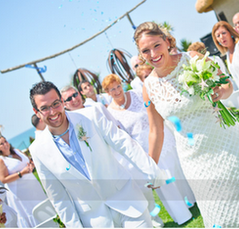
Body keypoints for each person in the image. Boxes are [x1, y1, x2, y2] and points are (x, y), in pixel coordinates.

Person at [135, 22, 239, 228]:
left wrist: (221, 93)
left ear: (167, 41)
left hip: (227, 143)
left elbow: (226, 83)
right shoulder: (148, 87)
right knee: (221, 215)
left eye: (156, 45)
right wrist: (150, 167)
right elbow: (156, 130)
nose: (153, 53)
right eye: (145, 50)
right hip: (194, 160)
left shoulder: (192, 59)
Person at [29, 80, 165, 228]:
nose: (53, 111)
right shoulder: (37, 150)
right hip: (95, 221)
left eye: (55, 103)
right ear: (37, 112)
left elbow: (123, 143)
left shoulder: (91, 115)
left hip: (127, 201)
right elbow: (58, 197)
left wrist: (151, 169)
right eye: (45, 108)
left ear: (62, 101)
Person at [103, 74, 195, 226]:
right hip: (143, 149)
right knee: (162, 180)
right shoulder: (110, 112)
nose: (117, 91)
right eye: (112, 89)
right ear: (107, 92)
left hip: (160, 136)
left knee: (178, 170)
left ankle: (193, 199)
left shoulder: (137, 94)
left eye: (118, 86)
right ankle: (182, 213)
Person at [0, 136, 46, 228]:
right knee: (30, 212)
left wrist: (31, 166)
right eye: (2, 143)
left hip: (33, 185)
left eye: (5, 141)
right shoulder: (1, 160)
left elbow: (28, 161)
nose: (5, 144)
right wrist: (21, 173)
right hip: (20, 192)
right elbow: (3, 179)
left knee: (43, 206)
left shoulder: (17, 151)